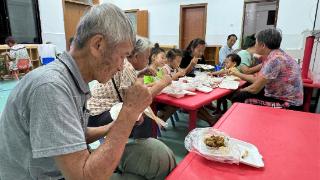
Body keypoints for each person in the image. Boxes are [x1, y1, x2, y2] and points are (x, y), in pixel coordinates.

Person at [0, 3, 176, 180]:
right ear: (98, 45)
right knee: (152, 160)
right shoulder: (51, 87)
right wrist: (128, 113)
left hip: (69, 166)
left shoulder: (72, 80)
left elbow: (73, 137)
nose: (122, 67)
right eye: (122, 56)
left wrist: (112, 127)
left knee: (157, 154)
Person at [87, 36, 172, 138]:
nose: (147, 61)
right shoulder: (127, 67)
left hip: (95, 114)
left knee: (142, 113)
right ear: (136, 56)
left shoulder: (125, 64)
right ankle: (139, 148)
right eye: (146, 57)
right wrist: (162, 84)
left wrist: (139, 74)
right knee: (142, 116)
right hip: (98, 116)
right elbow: (134, 102)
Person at [230, 28, 303, 110]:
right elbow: (258, 79)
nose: (255, 46)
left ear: (263, 45)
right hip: (280, 96)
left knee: (239, 97)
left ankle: (241, 121)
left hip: (288, 104)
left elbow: (255, 89)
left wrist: (241, 90)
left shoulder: (275, 59)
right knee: (246, 89)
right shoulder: (276, 54)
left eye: (256, 43)